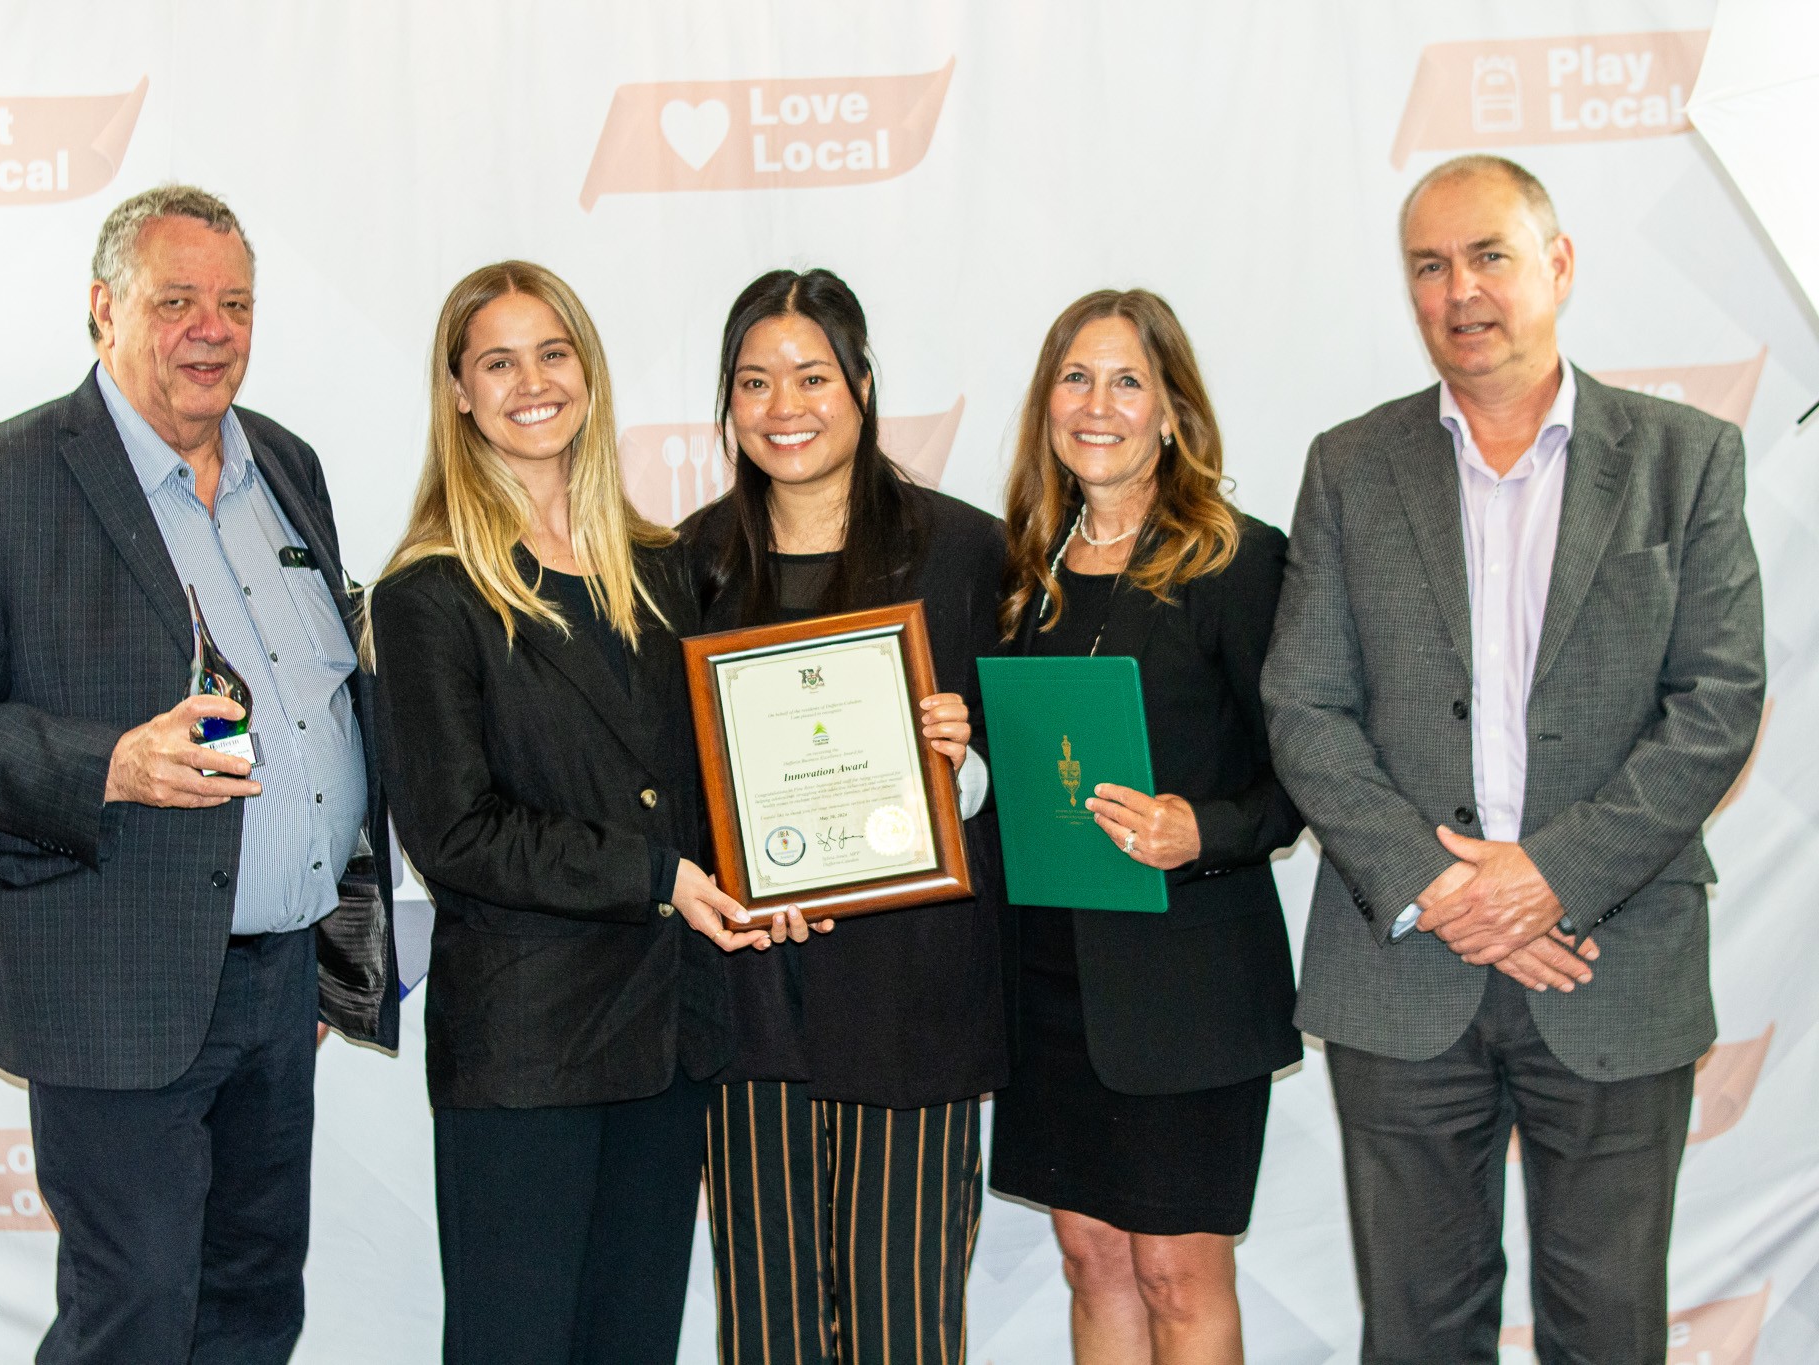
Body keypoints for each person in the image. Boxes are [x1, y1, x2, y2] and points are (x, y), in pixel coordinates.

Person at [0, 184, 398, 1363]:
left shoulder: (289, 468)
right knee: (135, 1320)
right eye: (175, 301)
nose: (210, 329)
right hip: (113, 982)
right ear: (103, 308)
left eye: (234, 303)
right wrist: (106, 762)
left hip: (278, 989)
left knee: (257, 1305)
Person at [1261, 154, 1767, 1362]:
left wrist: (1544, 879)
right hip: (1401, 974)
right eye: (1427, 266)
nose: (1459, 290)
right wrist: (1442, 890)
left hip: (1612, 966)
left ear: (1558, 264)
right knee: (1417, 1335)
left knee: (1605, 1334)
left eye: (1487, 254)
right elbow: (1303, 708)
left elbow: (1716, 701)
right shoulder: (1349, 465)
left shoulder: (1681, 459)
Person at [366, 260, 767, 1365]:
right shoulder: (427, 593)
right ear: (457, 392)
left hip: (667, 1035)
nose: (531, 382)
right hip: (527, 1049)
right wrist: (653, 877)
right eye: (498, 361)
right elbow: (453, 833)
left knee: (631, 1346)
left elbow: (722, 769)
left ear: (586, 372)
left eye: (553, 353)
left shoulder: (663, 568)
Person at [678, 267, 1005, 1365]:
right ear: (726, 404)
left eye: (811, 375)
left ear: (862, 385)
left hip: (915, 1001)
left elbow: (1014, 773)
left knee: (903, 1330)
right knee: (765, 1332)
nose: (785, 406)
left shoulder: (964, 552)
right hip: (752, 1004)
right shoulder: (689, 564)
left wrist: (966, 765)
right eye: (755, 381)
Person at [988, 289, 1303, 1365]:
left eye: (1127, 380)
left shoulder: (1235, 562)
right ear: (1045, 405)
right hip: (1047, 982)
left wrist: (1197, 829)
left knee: (1176, 1273)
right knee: (1092, 1261)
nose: (1097, 404)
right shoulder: (1020, 573)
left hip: (1187, 986)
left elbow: (1303, 781)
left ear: (1172, 409)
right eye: (1074, 378)